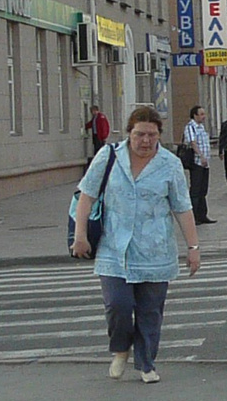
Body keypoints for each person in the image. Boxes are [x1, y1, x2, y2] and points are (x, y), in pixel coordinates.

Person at [72, 104, 200, 385]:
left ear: (159, 135)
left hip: (155, 250)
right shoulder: (109, 157)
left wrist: (193, 248)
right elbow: (87, 196)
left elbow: (182, 208)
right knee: (117, 305)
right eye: (140, 134)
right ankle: (120, 349)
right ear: (129, 133)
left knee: (150, 311)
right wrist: (79, 235)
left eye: (152, 135)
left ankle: (146, 363)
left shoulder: (169, 164)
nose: (145, 141)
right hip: (114, 248)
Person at [179, 104, 215, 226]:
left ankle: (203, 215)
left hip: (205, 163)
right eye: (201, 114)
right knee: (195, 189)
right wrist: (201, 156)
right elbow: (193, 143)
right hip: (197, 162)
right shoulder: (191, 127)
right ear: (194, 115)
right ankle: (193, 217)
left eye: (204, 114)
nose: (203, 117)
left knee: (203, 190)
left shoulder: (201, 127)